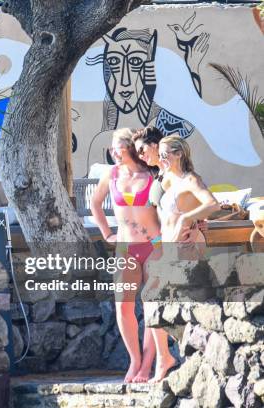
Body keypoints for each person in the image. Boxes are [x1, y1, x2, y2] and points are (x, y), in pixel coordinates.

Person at [143, 134, 219, 382]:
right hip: (169, 250)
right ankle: (167, 357)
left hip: (186, 250)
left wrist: (190, 220)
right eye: (160, 155)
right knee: (152, 299)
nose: (161, 159)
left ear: (179, 154)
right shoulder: (166, 181)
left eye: (165, 154)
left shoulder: (190, 179)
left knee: (162, 299)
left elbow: (212, 203)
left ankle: (173, 358)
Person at [90, 128, 160, 383]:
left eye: (116, 148)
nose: (113, 152)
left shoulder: (152, 174)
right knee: (124, 307)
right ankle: (135, 360)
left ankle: (147, 365)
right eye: (111, 149)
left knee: (152, 306)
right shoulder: (112, 174)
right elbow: (95, 204)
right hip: (125, 248)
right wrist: (107, 234)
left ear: (130, 148)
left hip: (154, 246)